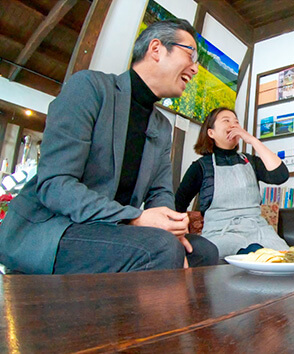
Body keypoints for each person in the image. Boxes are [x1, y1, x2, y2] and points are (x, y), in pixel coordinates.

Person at [0, 19, 219, 274]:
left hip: (109, 229)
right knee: (160, 248)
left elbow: (160, 193)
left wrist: (172, 228)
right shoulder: (90, 88)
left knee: (204, 252)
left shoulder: (161, 126)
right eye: (190, 54)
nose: (195, 69)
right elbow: (55, 185)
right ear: (156, 49)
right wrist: (135, 217)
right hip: (53, 229)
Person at [175, 107, 290, 259]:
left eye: (236, 122)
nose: (233, 125)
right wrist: (183, 236)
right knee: (253, 256)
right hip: (221, 235)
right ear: (211, 133)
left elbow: (280, 175)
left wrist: (252, 140)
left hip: (260, 231)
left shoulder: (251, 162)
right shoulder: (200, 167)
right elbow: (178, 205)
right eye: (226, 121)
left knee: (289, 261)